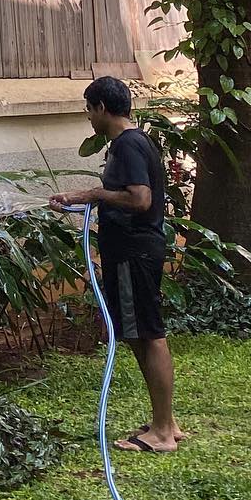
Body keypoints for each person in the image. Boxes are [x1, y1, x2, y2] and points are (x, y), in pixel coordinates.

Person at [49, 75, 182, 453]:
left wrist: (94, 192)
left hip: (132, 253)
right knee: (141, 333)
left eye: (89, 110)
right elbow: (126, 195)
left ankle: (161, 433)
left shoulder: (127, 145)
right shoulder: (137, 141)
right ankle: (167, 422)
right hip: (135, 251)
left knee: (149, 334)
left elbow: (140, 199)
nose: (89, 118)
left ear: (102, 108)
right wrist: (84, 198)